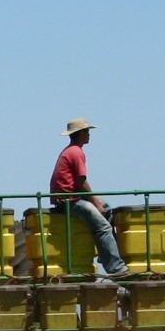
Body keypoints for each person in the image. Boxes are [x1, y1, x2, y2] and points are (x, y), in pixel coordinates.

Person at [49, 118, 131, 277]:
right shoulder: (76, 152)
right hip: (69, 201)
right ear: (79, 134)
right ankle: (117, 269)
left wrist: (99, 202)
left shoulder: (70, 150)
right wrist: (94, 201)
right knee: (103, 227)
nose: (89, 135)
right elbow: (81, 181)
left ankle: (105, 253)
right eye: (87, 132)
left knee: (107, 209)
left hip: (69, 197)